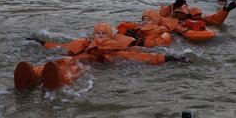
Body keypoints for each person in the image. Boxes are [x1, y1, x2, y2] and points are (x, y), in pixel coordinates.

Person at [15, 23, 191, 90]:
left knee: (72, 68)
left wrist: (169, 58)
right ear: (93, 34)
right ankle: (32, 75)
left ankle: (56, 80)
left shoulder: (115, 50)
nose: (99, 36)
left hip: (89, 68)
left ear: (109, 36)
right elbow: (61, 46)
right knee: (59, 61)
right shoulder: (84, 44)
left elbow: (143, 57)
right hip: (74, 60)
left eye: (103, 33)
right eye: (97, 33)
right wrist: (41, 42)